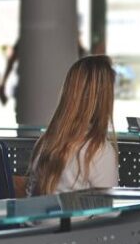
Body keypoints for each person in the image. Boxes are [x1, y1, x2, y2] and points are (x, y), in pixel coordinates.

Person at [28, 55, 119, 195]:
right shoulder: (99, 151)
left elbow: (30, 195)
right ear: (104, 98)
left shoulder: (45, 143)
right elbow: (109, 213)